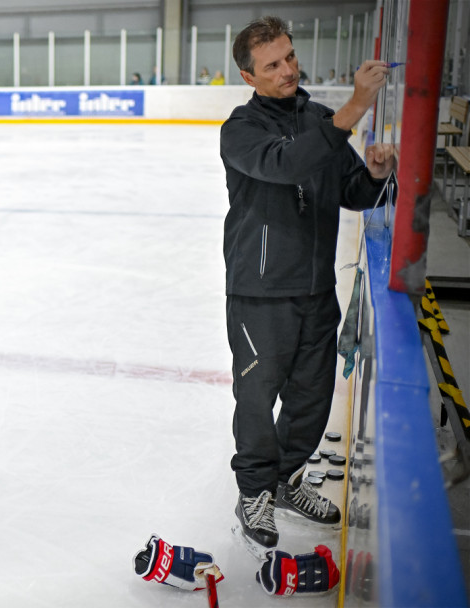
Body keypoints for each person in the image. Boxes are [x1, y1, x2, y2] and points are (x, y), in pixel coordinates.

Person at [220, 16, 396, 556]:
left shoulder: (318, 117)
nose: (287, 71)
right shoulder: (241, 131)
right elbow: (288, 165)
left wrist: (371, 174)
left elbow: (349, 190)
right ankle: (254, 492)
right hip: (261, 291)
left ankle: (287, 479)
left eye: (289, 57)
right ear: (250, 77)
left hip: (317, 289)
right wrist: (354, 111)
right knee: (257, 399)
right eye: (272, 65)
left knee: (312, 397)